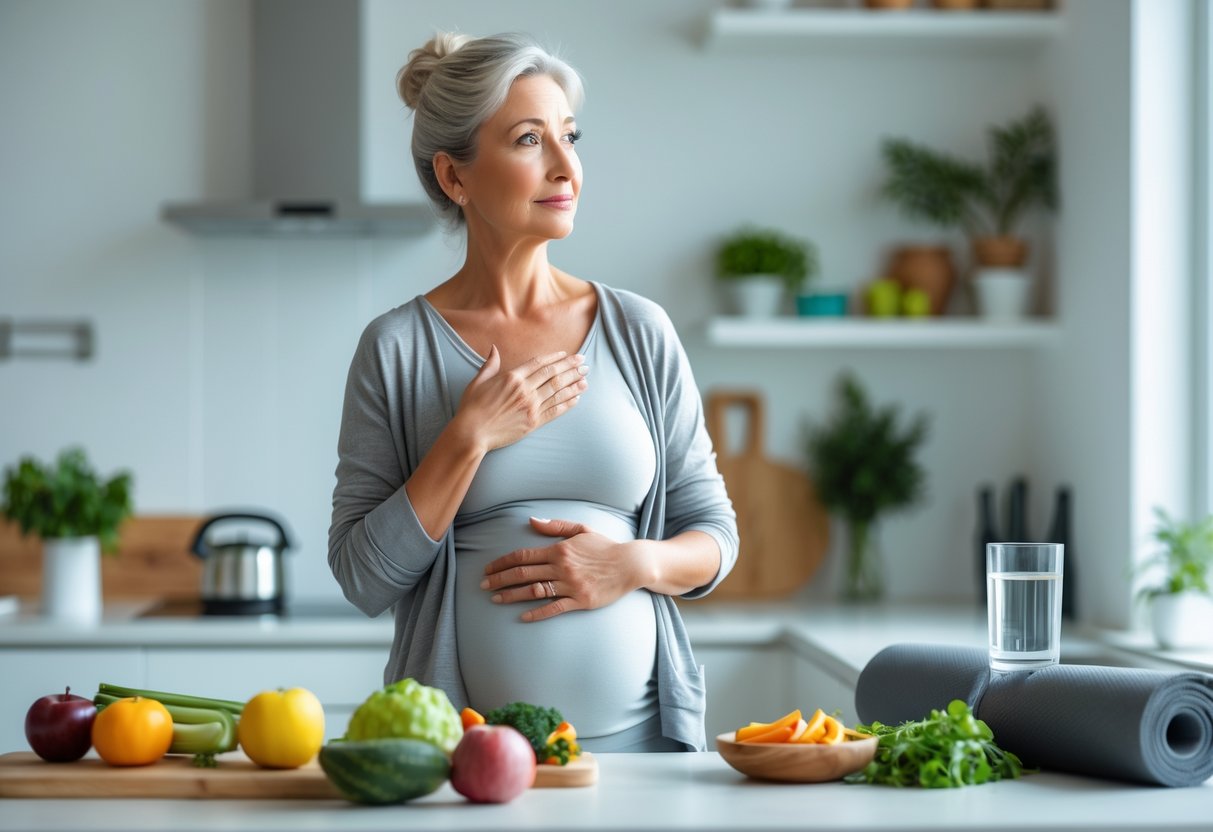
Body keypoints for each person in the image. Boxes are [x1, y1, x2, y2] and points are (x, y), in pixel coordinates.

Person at [328, 32, 738, 753]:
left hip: (645, 754)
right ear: (455, 178)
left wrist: (631, 563)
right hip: (463, 764)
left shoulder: (638, 330)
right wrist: (467, 437)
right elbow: (364, 578)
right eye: (527, 140)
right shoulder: (396, 349)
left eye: (568, 137)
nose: (565, 167)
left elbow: (714, 536)